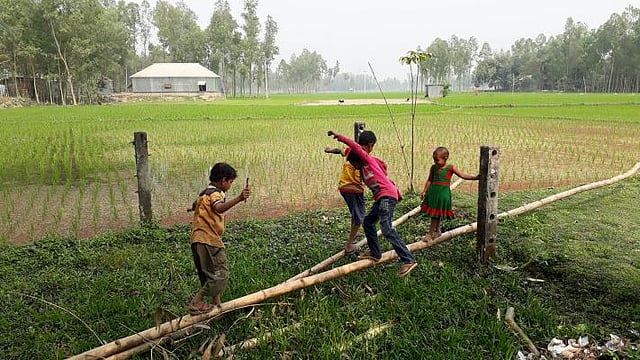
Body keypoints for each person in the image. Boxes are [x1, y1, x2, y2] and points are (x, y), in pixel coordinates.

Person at [327, 130, 418, 278]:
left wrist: (339, 137)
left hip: (386, 197)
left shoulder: (367, 160)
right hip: (382, 198)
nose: (353, 166)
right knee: (368, 222)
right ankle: (375, 253)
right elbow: (385, 177)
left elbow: (355, 148)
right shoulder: (363, 168)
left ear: (360, 158)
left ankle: (408, 259)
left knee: (387, 228)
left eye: (354, 163)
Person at [187, 162, 250, 315]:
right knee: (221, 273)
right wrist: (239, 198)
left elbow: (195, 205)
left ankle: (216, 304)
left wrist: (192, 209)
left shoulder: (204, 193)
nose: (230, 185)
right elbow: (218, 207)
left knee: (209, 273)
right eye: (230, 182)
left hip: (197, 239)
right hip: (209, 239)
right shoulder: (216, 194)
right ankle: (196, 302)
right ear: (223, 180)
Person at [323, 130, 377, 255]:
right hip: (354, 189)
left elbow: (340, 151)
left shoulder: (351, 151)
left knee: (357, 214)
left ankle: (351, 240)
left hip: (344, 187)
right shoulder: (365, 156)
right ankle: (349, 245)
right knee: (359, 217)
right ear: (370, 145)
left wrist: (329, 150)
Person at [420, 146, 479, 242]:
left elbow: (463, 175)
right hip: (433, 193)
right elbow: (429, 180)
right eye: (434, 160)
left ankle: (430, 234)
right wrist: (424, 191)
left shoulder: (450, 168)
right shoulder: (433, 167)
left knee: (435, 215)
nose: (435, 162)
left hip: (442, 195)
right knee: (436, 213)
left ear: (445, 158)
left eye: (437, 160)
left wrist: (476, 177)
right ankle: (437, 231)